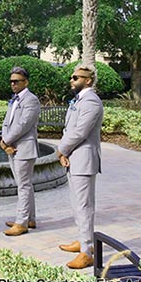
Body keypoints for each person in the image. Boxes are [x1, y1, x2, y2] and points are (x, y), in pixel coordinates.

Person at [57, 64, 104, 269]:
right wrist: (65, 152)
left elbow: (80, 132)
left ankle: (87, 252)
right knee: (77, 204)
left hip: (84, 160)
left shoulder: (92, 101)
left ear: (88, 80)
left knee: (84, 206)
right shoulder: (79, 100)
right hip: (74, 157)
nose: (72, 80)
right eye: (71, 77)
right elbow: (70, 128)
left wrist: (60, 150)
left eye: (76, 77)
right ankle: (84, 241)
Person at [0, 66, 41, 237]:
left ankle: (21, 223)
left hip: (23, 148)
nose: (13, 84)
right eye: (11, 81)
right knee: (24, 185)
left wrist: (6, 141)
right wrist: (4, 141)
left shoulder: (31, 100)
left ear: (26, 82)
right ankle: (30, 219)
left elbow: (23, 125)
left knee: (23, 186)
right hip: (12, 147)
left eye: (16, 81)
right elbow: (6, 123)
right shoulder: (14, 99)